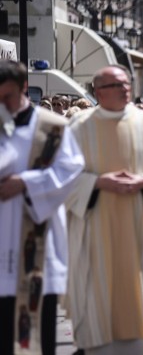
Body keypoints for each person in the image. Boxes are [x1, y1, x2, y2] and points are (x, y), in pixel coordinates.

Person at [66, 65, 143, 354]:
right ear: (98, 91)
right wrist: (97, 182)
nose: (125, 89)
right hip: (94, 223)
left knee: (142, 284)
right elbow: (59, 174)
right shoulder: (78, 126)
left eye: (126, 84)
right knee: (97, 284)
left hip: (140, 222)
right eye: (116, 85)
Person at [0, 60, 84, 355]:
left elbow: (71, 172)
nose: (3, 105)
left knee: (34, 340)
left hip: (35, 249)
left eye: (8, 97)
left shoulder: (52, 128)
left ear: (24, 88)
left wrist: (25, 183)